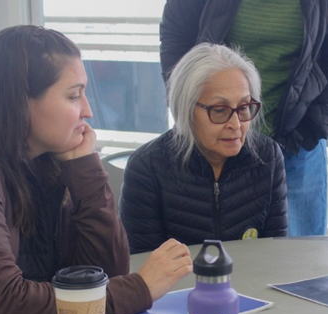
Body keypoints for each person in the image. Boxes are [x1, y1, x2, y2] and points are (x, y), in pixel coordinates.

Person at [0, 25, 193, 314]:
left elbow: (105, 274)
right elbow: (3, 304)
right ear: (20, 100)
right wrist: (139, 289)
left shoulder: (41, 156)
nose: (87, 111)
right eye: (73, 96)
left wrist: (84, 169)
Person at [159, 0, 328, 236]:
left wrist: (310, 130)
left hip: (296, 142)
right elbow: (176, 38)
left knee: (297, 265)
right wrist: (193, 115)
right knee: (209, 258)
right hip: (210, 139)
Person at [120, 43, 288, 251]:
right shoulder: (147, 168)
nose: (235, 125)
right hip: (180, 284)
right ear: (186, 109)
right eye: (219, 110)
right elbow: (143, 266)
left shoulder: (267, 156)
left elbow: (276, 253)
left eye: (244, 107)